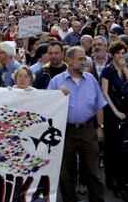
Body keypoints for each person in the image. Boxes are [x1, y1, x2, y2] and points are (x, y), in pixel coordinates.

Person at [48, 46, 107, 202]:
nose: (84, 62)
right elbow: (47, 107)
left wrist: (100, 128)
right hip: (65, 131)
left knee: (93, 172)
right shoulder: (56, 81)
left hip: (88, 129)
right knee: (66, 173)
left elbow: (99, 105)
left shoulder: (91, 79)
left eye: (84, 58)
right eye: (80, 59)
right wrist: (56, 95)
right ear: (69, 60)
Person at [100, 41, 128, 198]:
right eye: (118, 53)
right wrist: (115, 111)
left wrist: (124, 68)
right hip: (112, 113)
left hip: (125, 111)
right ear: (112, 54)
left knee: (124, 149)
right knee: (114, 149)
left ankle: (123, 181)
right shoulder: (107, 71)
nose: (121, 56)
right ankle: (115, 182)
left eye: (123, 53)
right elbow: (105, 93)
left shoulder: (124, 69)